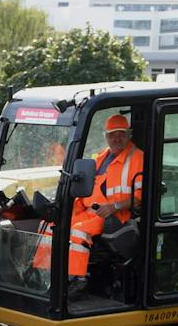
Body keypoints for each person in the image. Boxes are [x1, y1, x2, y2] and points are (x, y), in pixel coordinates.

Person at [32, 112, 145, 294]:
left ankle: (76, 280)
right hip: (87, 210)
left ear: (128, 134)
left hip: (112, 216)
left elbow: (140, 197)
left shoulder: (138, 158)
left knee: (78, 232)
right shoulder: (101, 157)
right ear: (106, 136)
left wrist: (113, 207)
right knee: (50, 227)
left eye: (121, 134)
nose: (116, 138)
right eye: (112, 134)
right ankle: (43, 275)